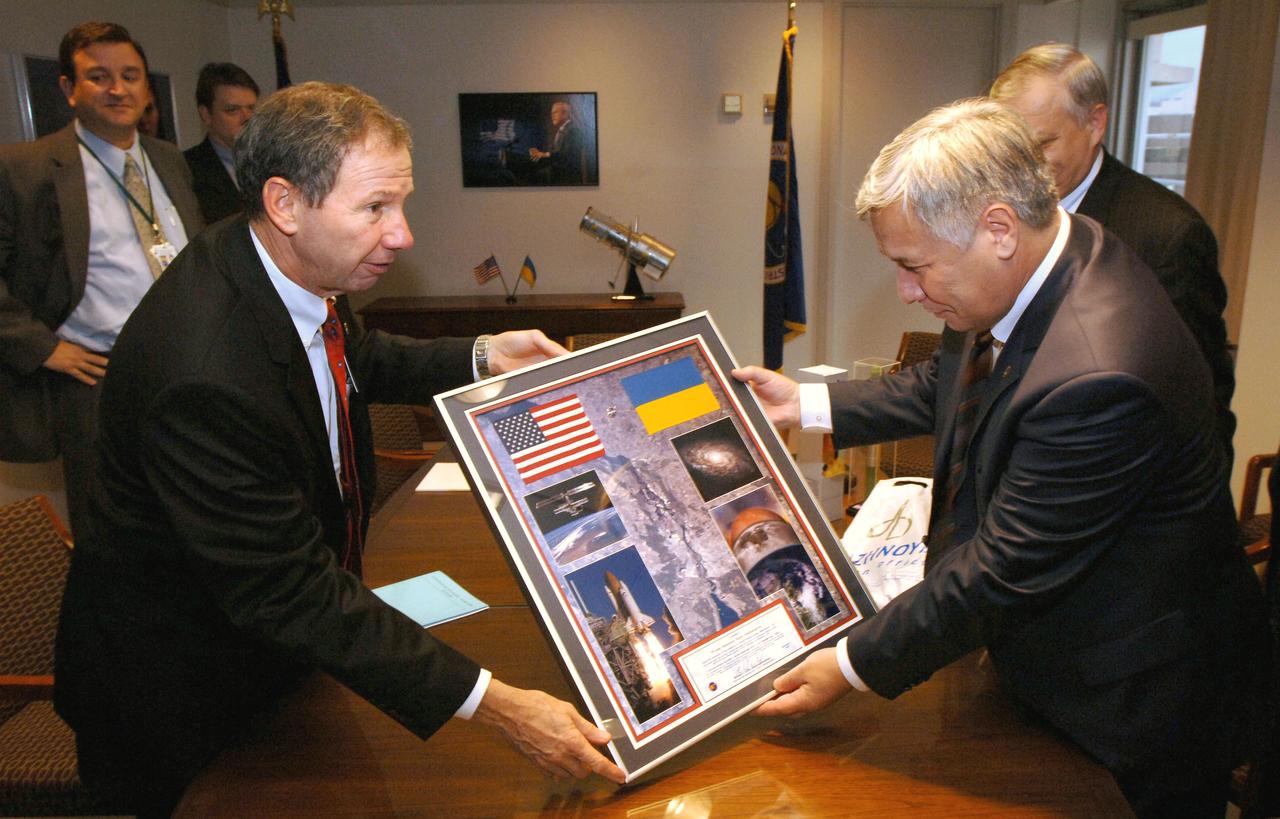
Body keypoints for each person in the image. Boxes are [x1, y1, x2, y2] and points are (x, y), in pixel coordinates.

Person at [53, 81, 624, 816]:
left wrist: (483, 354)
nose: (403, 233)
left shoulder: (291, 262)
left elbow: (354, 354)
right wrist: (501, 706)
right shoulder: (204, 373)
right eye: (376, 207)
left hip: (279, 661)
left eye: (402, 203)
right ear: (286, 203)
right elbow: (291, 592)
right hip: (183, 700)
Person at [733, 98, 1266, 818]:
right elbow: (952, 380)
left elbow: (1003, 570)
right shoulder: (1045, 260)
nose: (905, 290)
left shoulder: (1101, 373)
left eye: (914, 266)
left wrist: (851, 663)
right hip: (1043, 661)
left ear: (997, 228)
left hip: (1126, 706)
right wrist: (806, 406)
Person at [0, 21, 203, 538]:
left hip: (183, 368)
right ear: (69, 89)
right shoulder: (24, 168)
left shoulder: (168, 159)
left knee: (191, 513)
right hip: (96, 378)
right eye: (99, 76)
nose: (118, 89)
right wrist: (42, 347)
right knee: (113, 530)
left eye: (130, 75)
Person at [990, 43, 1236, 459]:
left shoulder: (1167, 235)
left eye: (1042, 145)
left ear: (1095, 123)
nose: (1022, 169)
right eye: (1010, 150)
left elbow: (1197, 403)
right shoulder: (999, 212)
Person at [184, 61, 259, 223]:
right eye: (233, 110)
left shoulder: (274, 162)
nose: (247, 118)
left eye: (251, 108)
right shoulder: (186, 169)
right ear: (206, 114)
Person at [529, 100, 585, 184]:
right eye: (552, 113)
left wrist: (544, 154)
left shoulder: (573, 130)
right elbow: (555, 153)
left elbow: (566, 154)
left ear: (565, 114)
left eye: (555, 112)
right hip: (559, 176)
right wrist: (539, 153)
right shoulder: (562, 130)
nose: (552, 115)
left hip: (568, 180)